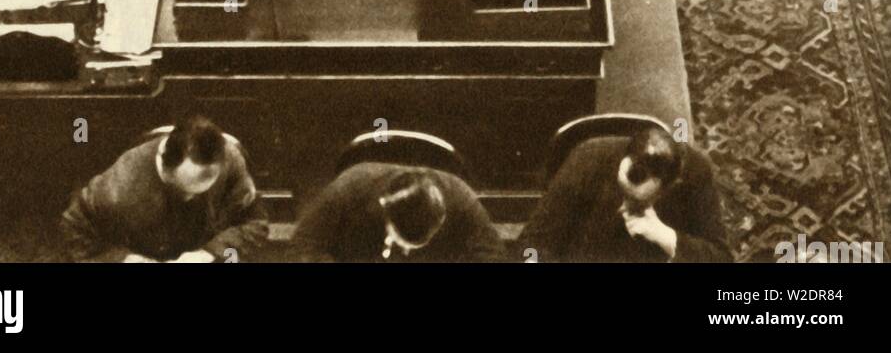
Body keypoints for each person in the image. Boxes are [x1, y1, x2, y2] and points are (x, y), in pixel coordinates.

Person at [61, 115, 268, 263]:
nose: (191, 199)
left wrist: (211, 253)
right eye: (183, 191)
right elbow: (73, 231)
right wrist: (122, 259)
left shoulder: (230, 159)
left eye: (203, 191)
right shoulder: (118, 189)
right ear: (163, 164)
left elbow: (256, 223)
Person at [518, 125, 730, 263]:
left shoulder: (695, 174)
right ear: (623, 159)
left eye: (637, 202)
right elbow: (531, 244)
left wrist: (666, 237)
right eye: (622, 192)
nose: (622, 208)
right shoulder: (588, 158)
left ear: (669, 187)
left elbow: (722, 259)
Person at [289, 164, 504, 264]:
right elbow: (303, 246)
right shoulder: (349, 190)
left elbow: (492, 256)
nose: (407, 254)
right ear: (386, 213)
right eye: (401, 243)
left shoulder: (461, 199)